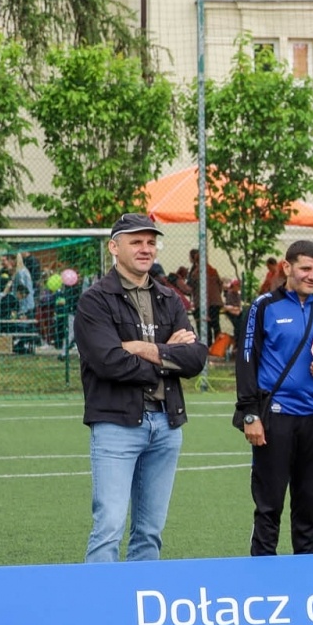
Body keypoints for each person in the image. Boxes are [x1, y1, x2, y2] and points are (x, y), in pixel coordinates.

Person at [75, 214, 209, 562]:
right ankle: (101, 610)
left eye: (151, 242)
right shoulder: (95, 300)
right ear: (114, 247)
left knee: (149, 533)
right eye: (136, 241)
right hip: (116, 424)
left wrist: (141, 348)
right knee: (109, 529)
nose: (145, 248)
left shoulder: (169, 297)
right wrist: (168, 357)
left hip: (167, 423)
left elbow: (195, 358)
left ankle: (138, 611)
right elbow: (108, 362)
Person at [236, 240, 313, 556]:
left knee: (307, 507)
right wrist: (250, 415)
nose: (312, 276)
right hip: (275, 417)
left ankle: (306, 578)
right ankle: (264, 577)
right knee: (269, 506)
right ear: (287, 268)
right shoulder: (263, 307)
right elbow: (246, 362)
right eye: (305, 269)